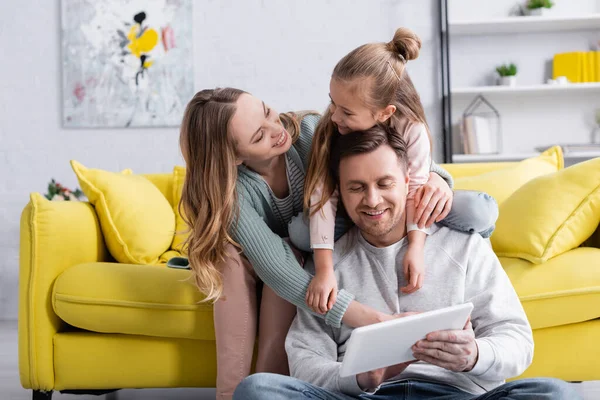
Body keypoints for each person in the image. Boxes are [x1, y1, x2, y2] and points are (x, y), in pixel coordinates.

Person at [234, 126, 580, 400]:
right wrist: (361, 376)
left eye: (384, 184)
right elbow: (305, 358)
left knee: (557, 393)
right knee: (259, 390)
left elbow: (517, 340)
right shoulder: (327, 264)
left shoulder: (465, 246)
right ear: (339, 191)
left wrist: (474, 355)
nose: (372, 201)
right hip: (365, 396)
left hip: (457, 393)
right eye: (356, 188)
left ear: (408, 182)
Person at [177, 88, 456, 399]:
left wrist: (437, 177)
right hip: (266, 262)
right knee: (235, 257)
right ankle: (232, 394)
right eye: (258, 136)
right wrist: (377, 321)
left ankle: (273, 386)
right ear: (235, 157)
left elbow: (382, 154)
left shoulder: (308, 131)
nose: (276, 130)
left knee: (298, 240)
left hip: (311, 245)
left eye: (268, 112)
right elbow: (280, 269)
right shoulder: (231, 194)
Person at [297, 27, 498, 315]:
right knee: (302, 235)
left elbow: (414, 188)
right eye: (332, 103)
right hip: (353, 209)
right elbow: (322, 198)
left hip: (407, 202)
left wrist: (416, 245)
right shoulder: (332, 127)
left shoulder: (411, 129)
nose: (334, 116)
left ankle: (476, 255)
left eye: (347, 112)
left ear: (385, 113)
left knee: (479, 212)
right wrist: (325, 269)